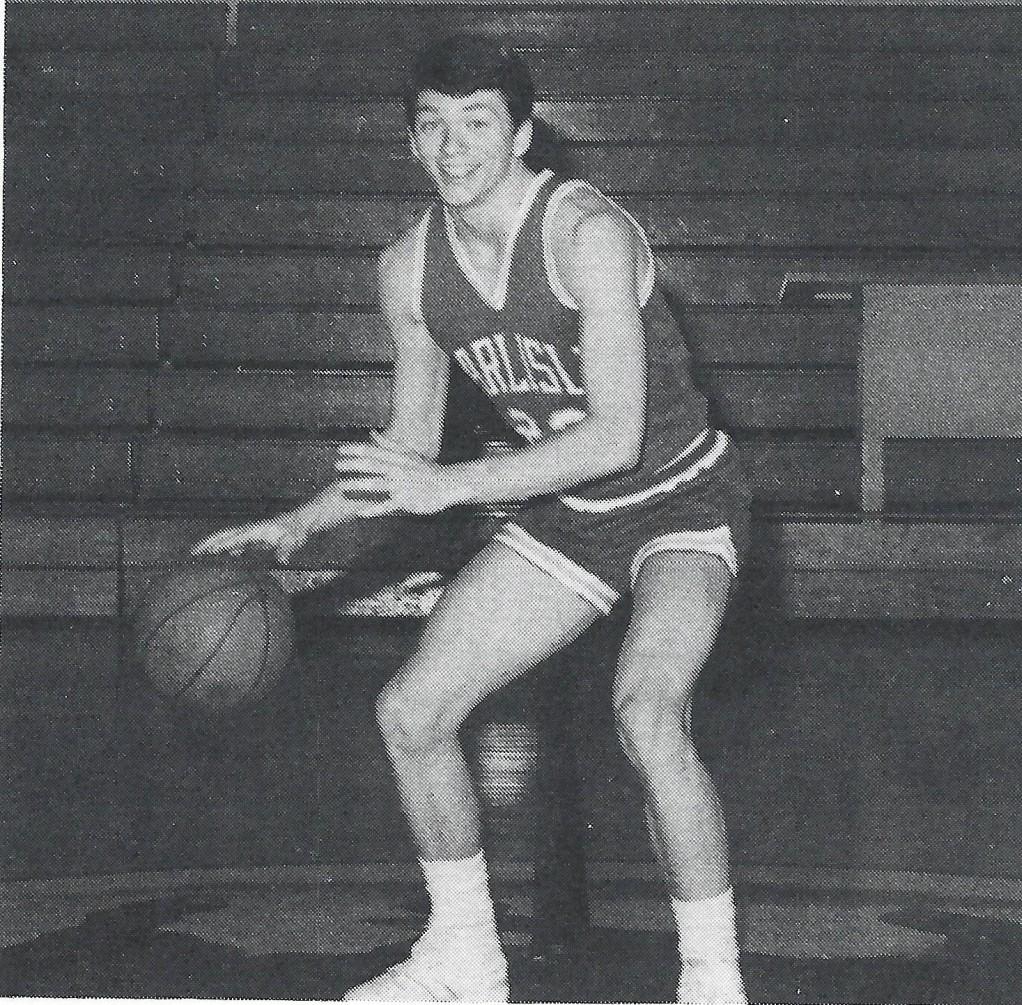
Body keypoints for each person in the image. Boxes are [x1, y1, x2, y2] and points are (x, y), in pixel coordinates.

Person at [194, 32, 751, 1004]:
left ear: (522, 133)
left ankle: (711, 980)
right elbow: (410, 446)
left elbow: (616, 436)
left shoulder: (586, 234)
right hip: (571, 516)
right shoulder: (410, 270)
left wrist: (448, 488)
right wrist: (295, 527)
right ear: (410, 141)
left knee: (647, 712)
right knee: (411, 712)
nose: (453, 148)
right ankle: (463, 958)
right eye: (431, 126)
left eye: (476, 124)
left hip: (681, 501)